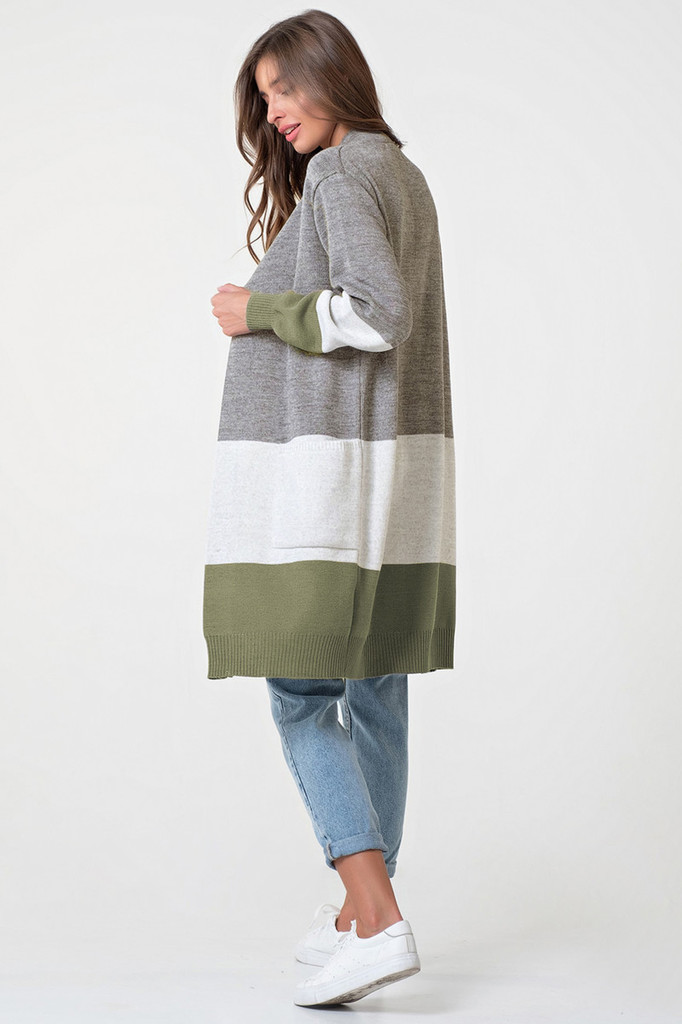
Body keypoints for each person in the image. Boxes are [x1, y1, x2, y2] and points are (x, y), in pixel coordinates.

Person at [206, 9, 456, 1008]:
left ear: (331, 74)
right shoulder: (401, 172)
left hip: (333, 477)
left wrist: (254, 310)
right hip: (395, 475)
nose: (273, 111)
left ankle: (378, 912)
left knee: (303, 688)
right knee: (375, 685)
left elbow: (378, 310)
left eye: (285, 87)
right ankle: (361, 913)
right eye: (263, 96)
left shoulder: (343, 175)